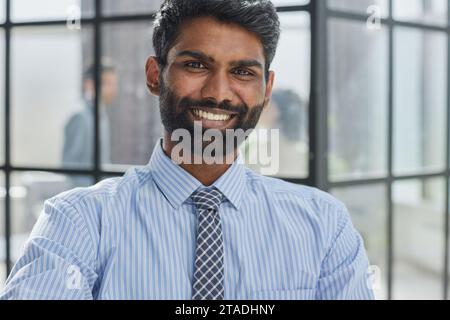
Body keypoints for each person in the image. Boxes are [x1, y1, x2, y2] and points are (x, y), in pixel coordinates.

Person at [1, 0, 374, 300]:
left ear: (267, 87)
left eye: (243, 72)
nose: (218, 92)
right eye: (196, 64)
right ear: (154, 75)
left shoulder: (323, 225)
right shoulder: (78, 222)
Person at [62, 58, 117, 187]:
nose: (112, 89)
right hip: (84, 199)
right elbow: (70, 167)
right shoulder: (79, 116)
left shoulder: (101, 114)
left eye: (113, 84)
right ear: (89, 84)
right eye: (107, 83)